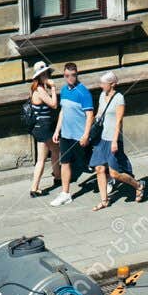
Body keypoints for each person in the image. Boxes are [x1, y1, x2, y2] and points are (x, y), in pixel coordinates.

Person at [89, 70, 146, 209]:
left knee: (114, 173)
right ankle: (104, 201)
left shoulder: (119, 98)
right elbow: (99, 114)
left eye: (103, 83)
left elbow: (119, 121)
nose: (101, 85)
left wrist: (115, 141)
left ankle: (138, 185)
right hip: (102, 138)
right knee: (99, 168)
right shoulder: (102, 95)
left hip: (113, 138)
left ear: (112, 84)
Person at [50, 62, 94, 208]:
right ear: (64, 75)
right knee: (65, 162)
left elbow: (89, 115)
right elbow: (62, 112)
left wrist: (86, 135)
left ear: (77, 74)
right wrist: (57, 130)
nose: (70, 78)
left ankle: (109, 177)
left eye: (73, 75)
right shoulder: (63, 90)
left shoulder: (83, 92)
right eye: (67, 75)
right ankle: (65, 193)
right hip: (66, 135)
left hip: (80, 136)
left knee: (92, 163)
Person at [26, 61, 60, 198]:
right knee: (41, 159)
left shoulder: (37, 88)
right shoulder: (40, 90)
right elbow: (54, 105)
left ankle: (57, 176)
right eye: (44, 74)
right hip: (44, 129)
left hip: (41, 128)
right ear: (39, 77)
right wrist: (53, 88)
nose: (46, 76)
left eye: (47, 73)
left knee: (56, 149)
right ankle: (34, 188)